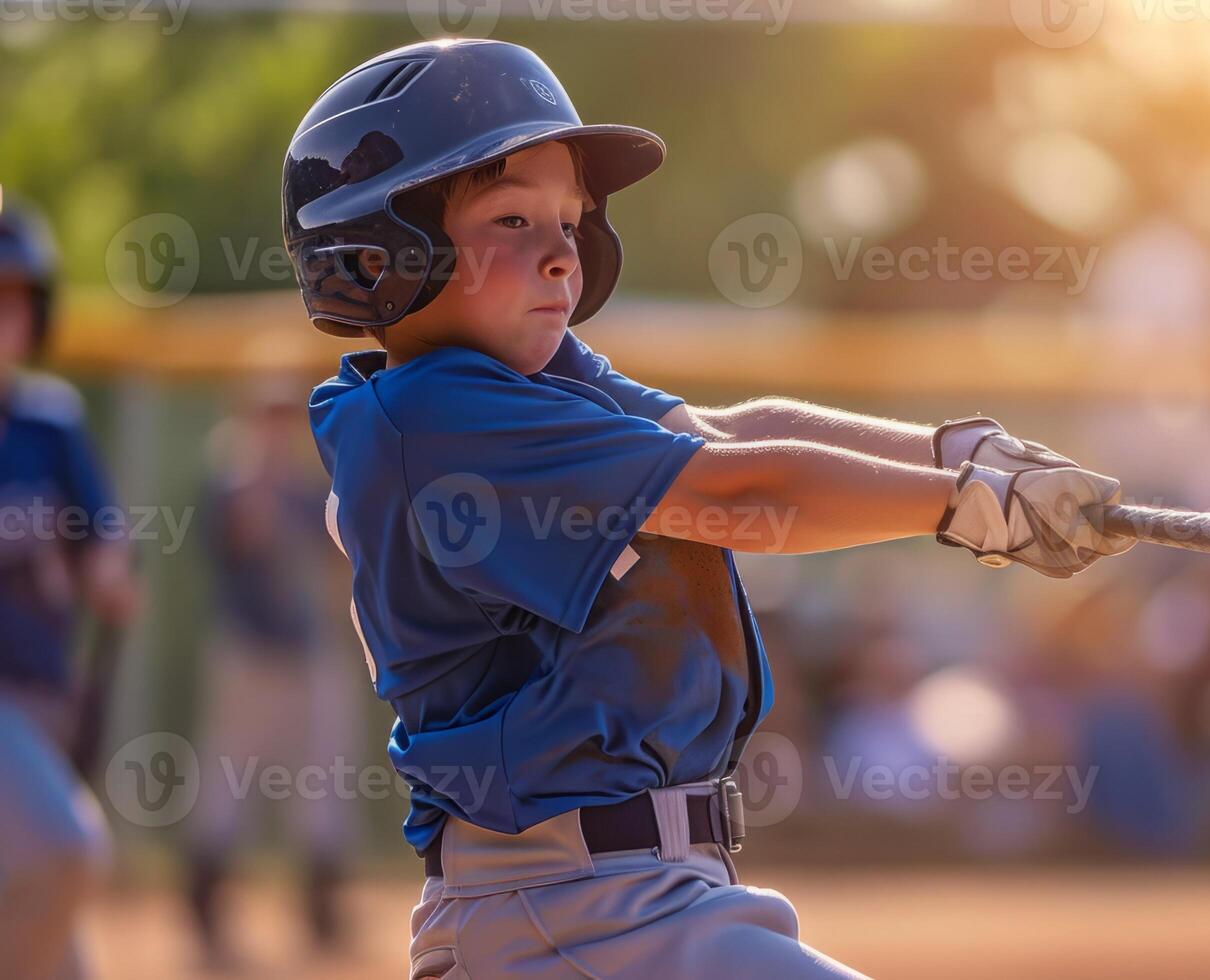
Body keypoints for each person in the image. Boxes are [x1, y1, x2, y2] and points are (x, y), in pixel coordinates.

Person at [282, 40, 1132, 978]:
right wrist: (970, 509)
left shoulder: (536, 382)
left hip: (627, 906)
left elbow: (730, 434)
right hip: (570, 910)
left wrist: (955, 451)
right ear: (377, 254)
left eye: (570, 221)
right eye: (513, 218)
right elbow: (742, 491)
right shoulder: (436, 415)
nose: (562, 254)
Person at [0, 201, 141, 979]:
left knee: (58, 952)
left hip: (48, 706)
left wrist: (112, 575)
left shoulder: (50, 427)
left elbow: (104, 547)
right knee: (68, 849)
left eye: (15, 297)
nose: (3, 314)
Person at [184, 373, 358, 968]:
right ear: (246, 417)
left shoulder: (308, 491)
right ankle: (204, 911)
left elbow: (337, 563)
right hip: (246, 652)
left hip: (305, 653)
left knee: (323, 782)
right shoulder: (232, 483)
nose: (279, 426)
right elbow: (239, 536)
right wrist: (259, 481)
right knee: (227, 782)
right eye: (268, 414)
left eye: (288, 415)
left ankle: (322, 915)